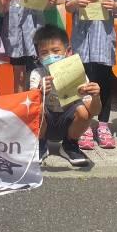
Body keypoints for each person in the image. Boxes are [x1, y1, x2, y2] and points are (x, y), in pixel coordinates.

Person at [59, 0, 117, 150]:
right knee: (82, 83)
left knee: (103, 83)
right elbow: (66, 5)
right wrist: (76, 2)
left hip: (104, 40)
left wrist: (116, 6)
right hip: (81, 41)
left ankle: (103, 124)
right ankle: (83, 124)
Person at [29, 25, 102, 167]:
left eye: (56, 51)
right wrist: (40, 92)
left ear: (68, 51)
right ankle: (40, 145)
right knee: (37, 109)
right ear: (38, 56)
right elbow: (30, 107)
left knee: (83, 111)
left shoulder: (77, 74)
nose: (50, 56)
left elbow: (94, 111)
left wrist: (96, 96)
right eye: (44, 53)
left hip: (68, 124)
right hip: (45, 124)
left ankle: (70, 145)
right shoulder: (37, 74)